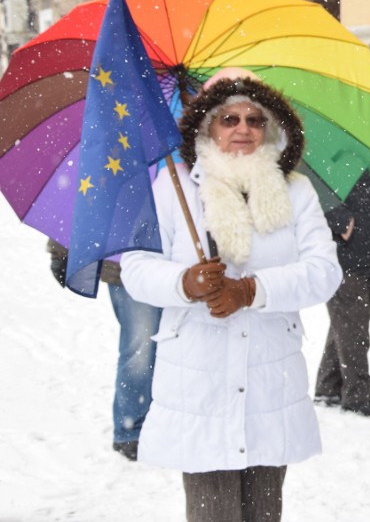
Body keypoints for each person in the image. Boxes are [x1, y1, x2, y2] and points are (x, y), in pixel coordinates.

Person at [120, 75, 342, 521]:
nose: (243, 128)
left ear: (271, 128)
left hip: (270, 381)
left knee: (264, 512)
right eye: (229, 118)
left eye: (254, 119)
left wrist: (251, 291)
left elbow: (324, 273)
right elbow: (136, 268)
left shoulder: (295, 191)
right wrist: (185, 283)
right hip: (198, 381)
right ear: (206, 127)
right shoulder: (175, 187)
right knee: (212, 514)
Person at [314, 116, 370, 417]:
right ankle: (358, 395)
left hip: (368, 248)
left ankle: (328, 385)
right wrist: (337, 217)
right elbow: (310, 180)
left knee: (346, 321)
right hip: (345, 252)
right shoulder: (332, 138)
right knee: (354, 327)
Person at [47, 239, 160, 462]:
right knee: (141, 347)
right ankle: (131, 430)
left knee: (183, 347)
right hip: (127, 260)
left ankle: (169, 424)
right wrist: (60, 251)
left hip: (185, 262)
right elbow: (76, 203)